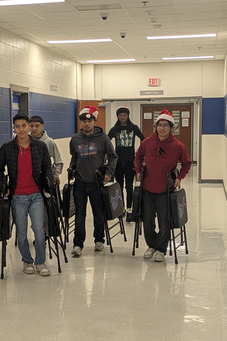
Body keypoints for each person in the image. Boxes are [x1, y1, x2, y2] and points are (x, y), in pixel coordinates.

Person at [0, 113, 54, 276]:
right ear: (14, 128)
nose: (21, 129)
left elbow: (48, 167)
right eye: (17, 126)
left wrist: (48, 182)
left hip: (36, 195)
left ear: (28, 126)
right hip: (17, 196)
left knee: (39, 230)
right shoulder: (7, 148)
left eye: (23, 126)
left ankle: (40, 262)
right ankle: (27, 261)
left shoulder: (40, 147)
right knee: (21, 232)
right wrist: (1, 186)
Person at [134, 109, 192, 262]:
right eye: (160, 125)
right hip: (147, 189)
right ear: (156, 126)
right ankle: (151, 245)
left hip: (166, 190)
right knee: (147, 220)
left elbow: (187, 163)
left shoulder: (178, 146)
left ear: (171, 128)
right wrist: (138, 171)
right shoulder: (147, 142)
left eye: (166, 125)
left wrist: (179, 177)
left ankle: (161, 249)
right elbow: (138, 157)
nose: (162, 128)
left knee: (164, 220)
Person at [68, 105, 118, 257]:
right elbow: (74, 158)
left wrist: (108, 172)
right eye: (83, 121)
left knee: (98, 213)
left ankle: (99, 240)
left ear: (94, 121)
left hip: (97, 183)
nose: (86, 124)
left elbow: (113, 157)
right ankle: (78, 244)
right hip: (80, 183)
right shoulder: (75, 139)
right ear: (81, 122)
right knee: (80, 214)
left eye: (89, 121)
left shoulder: (103, 138)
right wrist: (71, 169)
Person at [107, 105, 144, 216]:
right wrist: (109, 154)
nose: (122, 117)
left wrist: (140, 153)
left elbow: (143, 138)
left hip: (130, 161)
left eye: (124, 115)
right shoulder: (114, 129)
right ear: (117, 117)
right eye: (120, 115)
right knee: (119, 185)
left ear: (128, 116)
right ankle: (121, 207)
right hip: (118, 162)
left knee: (129, 185)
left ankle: (129, 207)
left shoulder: (133, 128)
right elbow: (107, 141)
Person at [29, 115, 63, 184]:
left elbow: (58, 161)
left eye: (37, 126)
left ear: (42, 126)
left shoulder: (49, 142)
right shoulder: (25, 141)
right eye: (31, 126)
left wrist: (56, 175)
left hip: (45, 178)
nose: (34, 128)